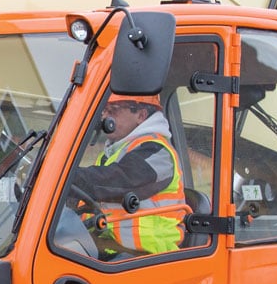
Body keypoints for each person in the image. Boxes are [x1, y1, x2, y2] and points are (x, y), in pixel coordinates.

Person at [66, 94, 187, 257]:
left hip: (148, 256)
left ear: (141, 115)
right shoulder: (112, 154)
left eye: (114, 110)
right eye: (105, 111)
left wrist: (64, 178)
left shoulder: (158, 152)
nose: (106, 117)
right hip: (111, 248)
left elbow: (118, 183)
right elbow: (90, 196)